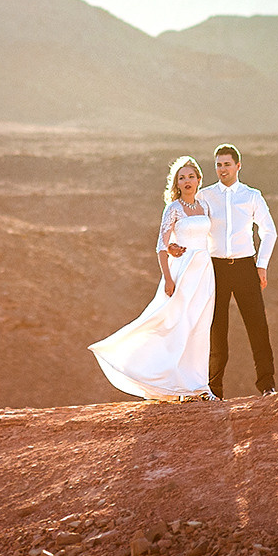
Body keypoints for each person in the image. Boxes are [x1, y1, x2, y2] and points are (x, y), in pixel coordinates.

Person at [88, 156, 216, 401]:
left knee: (200, 327)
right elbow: (161, 246)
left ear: (199, 179)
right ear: (176, 183)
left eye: (191, 176)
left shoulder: (204, 207)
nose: (187, 181)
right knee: (175, 324)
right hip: (182, 272)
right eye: (182, 178)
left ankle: (199, 386)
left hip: (204, 272)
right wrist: (168, 278)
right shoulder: (173, 208)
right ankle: (170, 382)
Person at [199, 143, 278, 397]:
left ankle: (267, 385)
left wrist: (261, 265)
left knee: (257, 326)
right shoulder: (205, 196)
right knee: (216, 330)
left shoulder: (251, 195)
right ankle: (214, 390)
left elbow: (269, 232)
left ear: (238, 166)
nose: (222, 169)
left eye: (227, 164)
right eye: (218, 165)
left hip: (245, 267)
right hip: (215, 269)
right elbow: (194, 227)